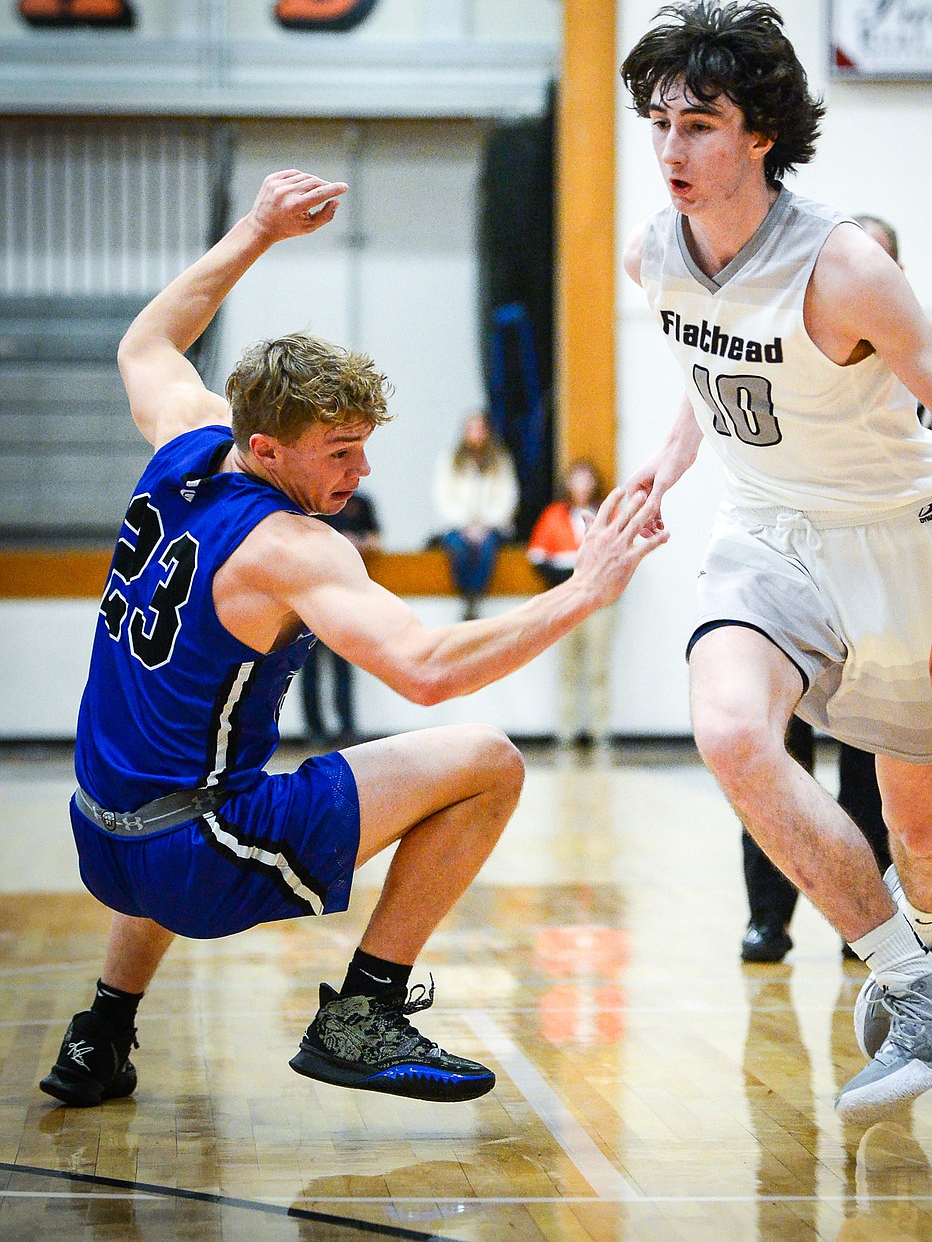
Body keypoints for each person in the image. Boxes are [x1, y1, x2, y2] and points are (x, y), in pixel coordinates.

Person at [39, 169, 667, 1110]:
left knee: (165, 768)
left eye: (364, 446)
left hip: (98, 832)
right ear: (268, 449)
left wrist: (256, 229)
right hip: (201, 855)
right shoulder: (293, 548)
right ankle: (361, 1015)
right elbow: (424, 670)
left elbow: (149, 340)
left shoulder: (187, 435)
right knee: (490, 763)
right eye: (339, 453)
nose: (360, 472)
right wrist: (582, 590)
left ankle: (102, 1032)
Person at [618, 0, 932, 1119]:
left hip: (903, 545)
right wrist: (660, 467)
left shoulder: (843, 267)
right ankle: (923, 986)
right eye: (659, 124)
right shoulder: (655, 250)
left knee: (924, 831)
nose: (670, 150)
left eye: (698, 124)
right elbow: (715, 379)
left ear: (759, 133)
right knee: (731, 730)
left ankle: (920, 939)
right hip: (763, 532)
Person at [739, 212, 905, 967]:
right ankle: (767, 918)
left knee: (868, 768)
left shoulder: (915, 361)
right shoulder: (790, 344)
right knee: (769, 753)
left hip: (874, 586)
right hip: (785, 574)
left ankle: (860, 916)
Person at [527, 459, 616, 748]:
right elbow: (537, 557)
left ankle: (599, 732)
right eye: (576, 479)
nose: (581, 486)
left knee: (598, 669)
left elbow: (619, 554)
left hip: (599, 604)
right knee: (567, 669)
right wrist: (569, 574)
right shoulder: (553, 515)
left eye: (586, 479)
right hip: (564, 601)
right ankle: (565, 733)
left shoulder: (607, 513)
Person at [300, 488, 381, 743]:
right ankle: (315, 729)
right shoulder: (312, 500)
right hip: (310, 598)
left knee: (343, 665)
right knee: (309, 667)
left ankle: (347, 726)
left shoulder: (362, 502)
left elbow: (377, 540)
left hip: (344, 598)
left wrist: (354, 543)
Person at [433, 410, 519, 619]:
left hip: (491, 527)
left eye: (480, 429)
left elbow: (508, 497)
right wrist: (466, 524)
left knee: (487, 547)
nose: (476, 435)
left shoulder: (500, 460)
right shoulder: (450, 460)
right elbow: (442, 496)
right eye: (471, 429)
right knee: (458, 547)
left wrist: (486, 523)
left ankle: (478, 596)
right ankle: (466, 596)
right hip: (459, 526)